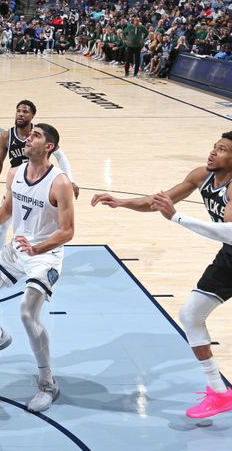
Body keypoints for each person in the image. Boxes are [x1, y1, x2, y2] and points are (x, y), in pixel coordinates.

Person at [91, 133, 232, 419]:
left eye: (222, 150)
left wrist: (177, 217)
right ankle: (219, 391)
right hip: (230, 257)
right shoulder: (201, 175)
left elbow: (229, 232)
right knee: (191, 315)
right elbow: (158, 202)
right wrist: (121, 202)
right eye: (214, 147)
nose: (213, 153)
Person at [0, 123, 75, 413]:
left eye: (36, 136)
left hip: (46, 254)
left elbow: (68, 231)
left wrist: (37, 248)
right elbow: (8, 209)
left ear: (49, 147)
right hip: (18, 248)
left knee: (28, 313)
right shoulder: (15, 173)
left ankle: (47, 382)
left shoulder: (60, 183)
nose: (28, 138)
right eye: (29, 135)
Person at [0, 100, 79, 254]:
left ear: (33, 115)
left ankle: (43, 253)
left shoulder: (41, 136)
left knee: (42, 225)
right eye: (18, 111)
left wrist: (71, 180)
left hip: (40, 186)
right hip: (19, 184)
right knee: (3, 225)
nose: (21, 114)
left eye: (25, 112)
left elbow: (61, 157)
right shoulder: (6, 137)